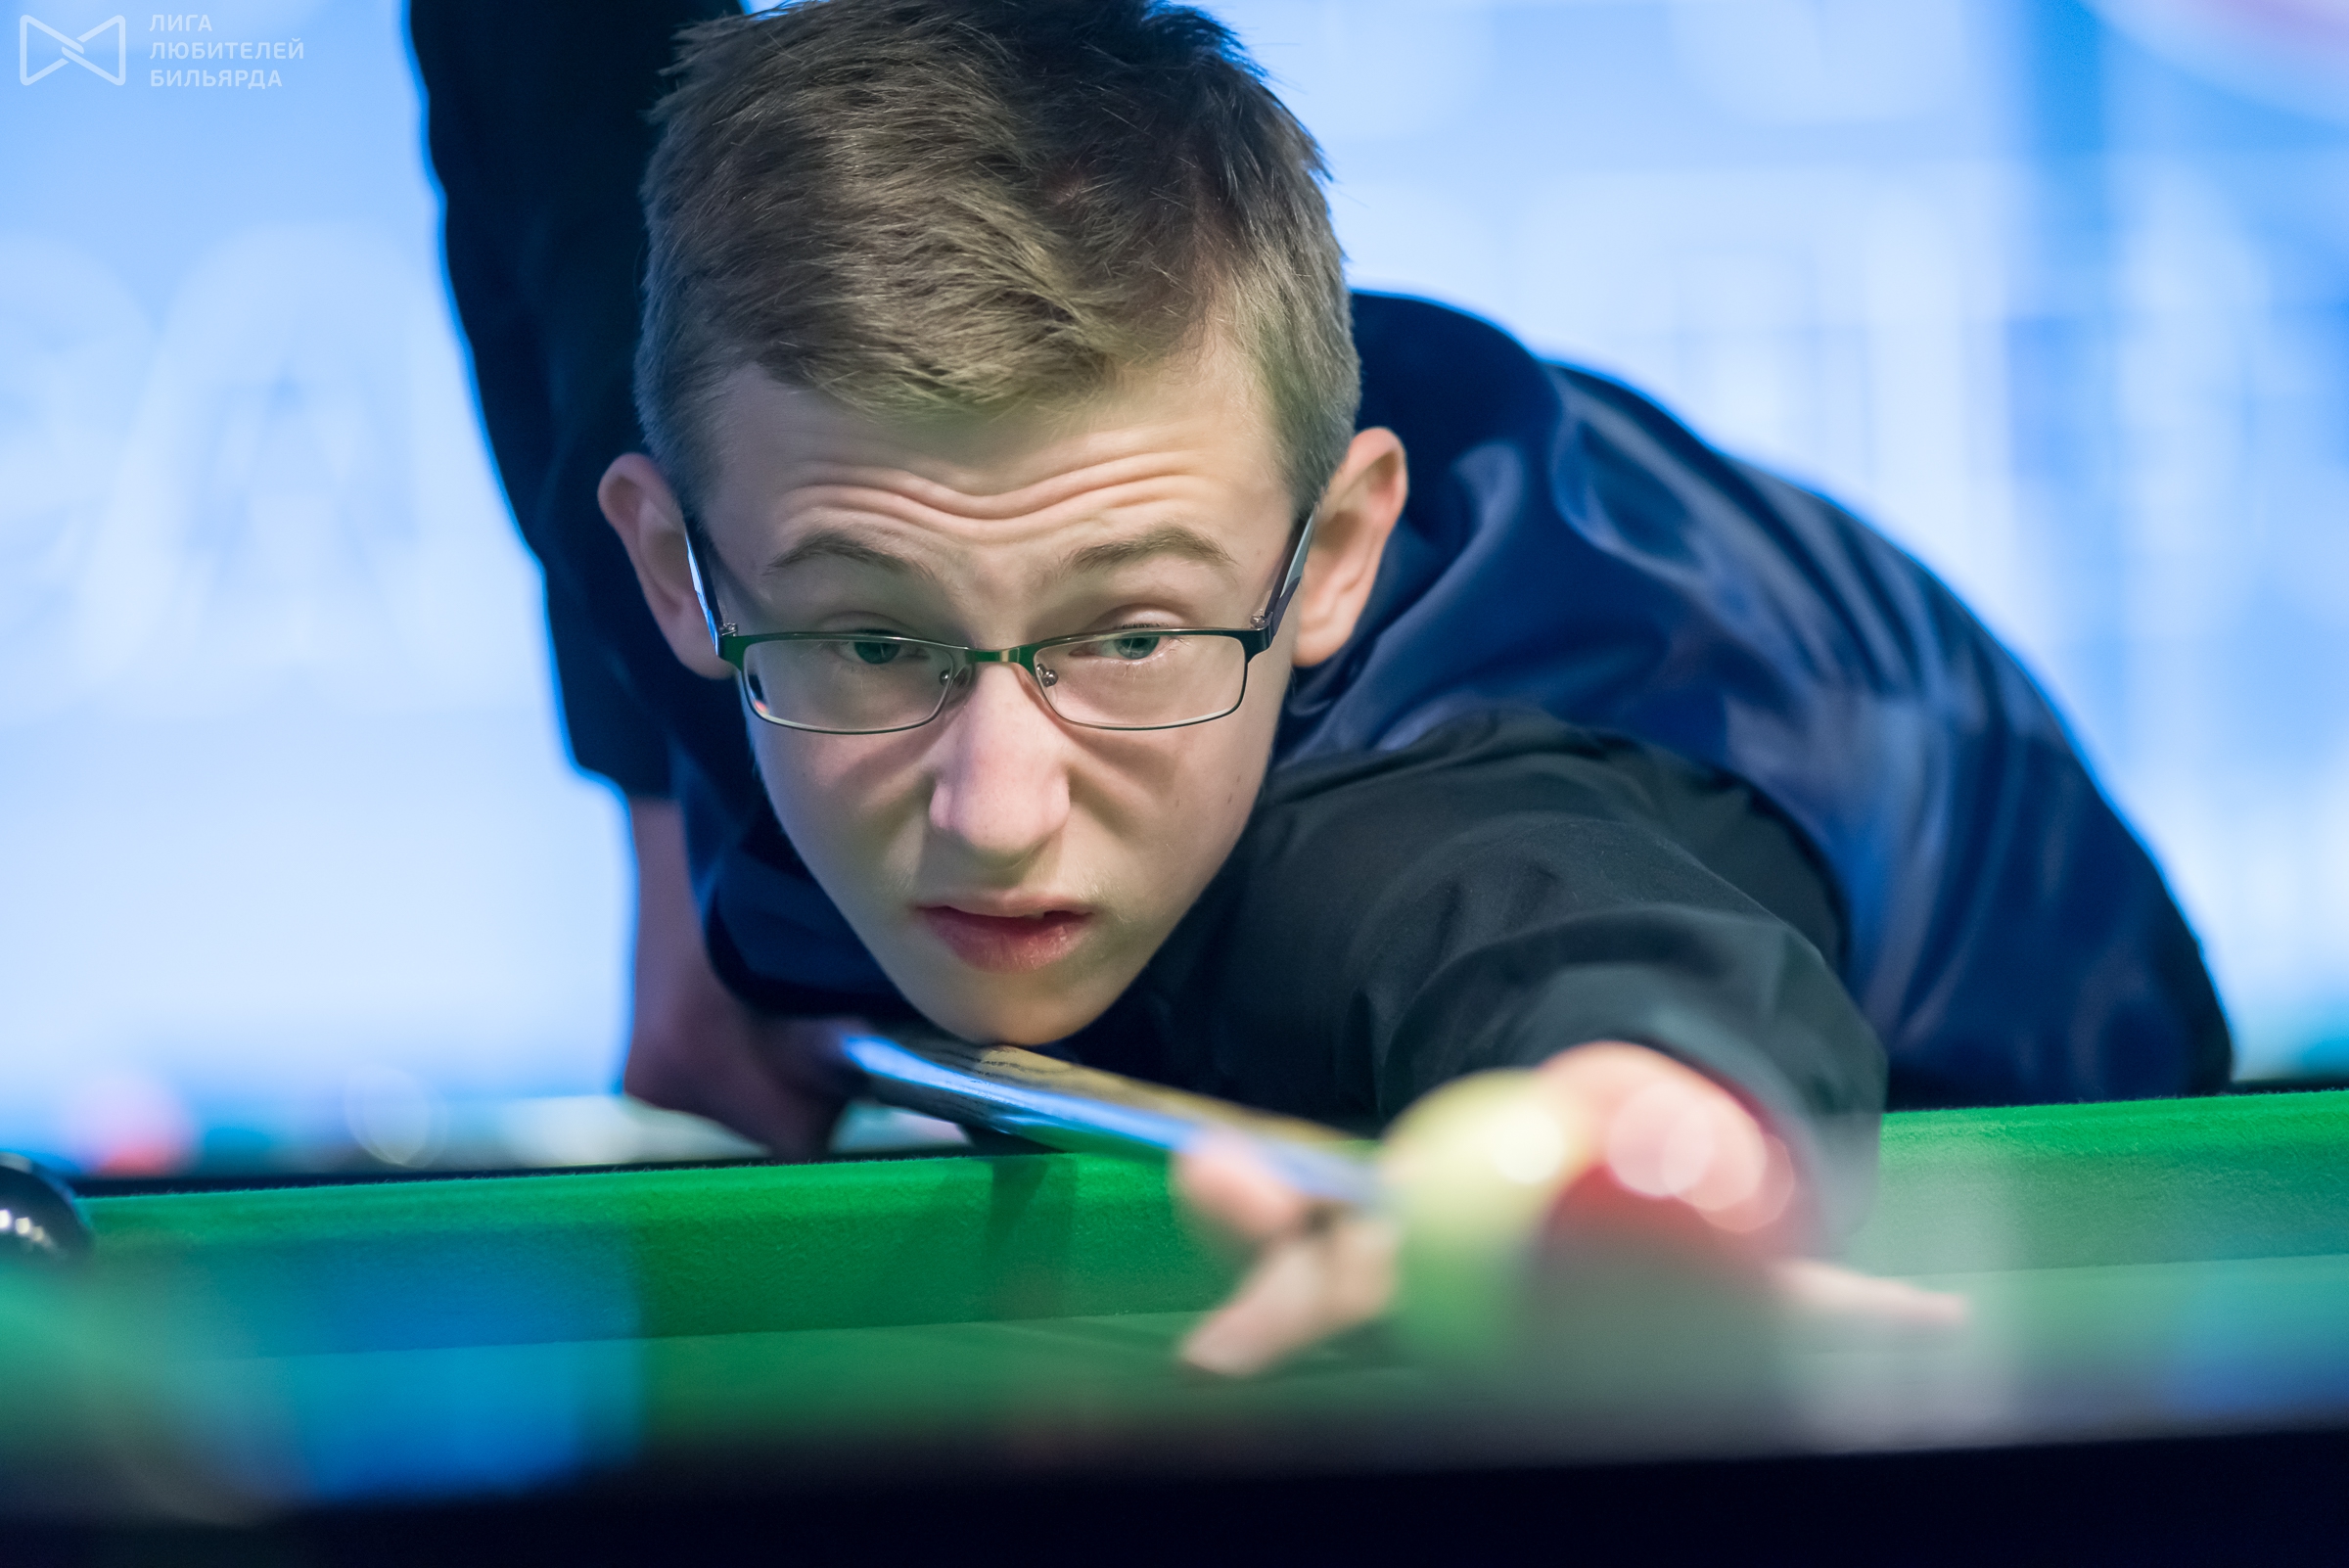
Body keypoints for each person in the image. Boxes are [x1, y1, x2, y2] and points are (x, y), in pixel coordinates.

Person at [410, 0, 2224, 1374]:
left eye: (1132, 635)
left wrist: (1627, 1150)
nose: (995, 811)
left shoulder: (1427, 831)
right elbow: (535, 66)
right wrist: (673, 846)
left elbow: (1600, 964)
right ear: (677, 569)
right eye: (876, 642)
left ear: (1334, 556)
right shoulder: (742, 476)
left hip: (2053, 1127)